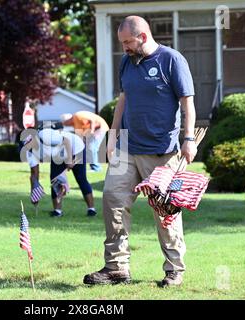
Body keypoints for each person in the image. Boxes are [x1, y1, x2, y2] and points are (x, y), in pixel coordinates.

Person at [83, 16, 197, 287]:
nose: (124, 48)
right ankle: (116, 268)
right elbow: (123, 99)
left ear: (143, 36)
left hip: (161, 152)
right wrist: (113, 135)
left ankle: (174, 270)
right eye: (122, 43)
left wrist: (189, 138)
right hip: (127, 149)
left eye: (127, 42)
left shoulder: (172, 60)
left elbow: (188, 103)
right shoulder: (127, 63)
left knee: (165, 211)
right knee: (113, 200)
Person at [23, 128, 97, 217]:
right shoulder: (30, 152)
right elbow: (34, 174)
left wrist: (69, 160)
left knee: (81, 178)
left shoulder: (44, 135)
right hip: (57, 156)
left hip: (76, 148)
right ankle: (57, 211)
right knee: (55, 180)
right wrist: (34, 192)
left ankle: (91, 209)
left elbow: (66, 141)